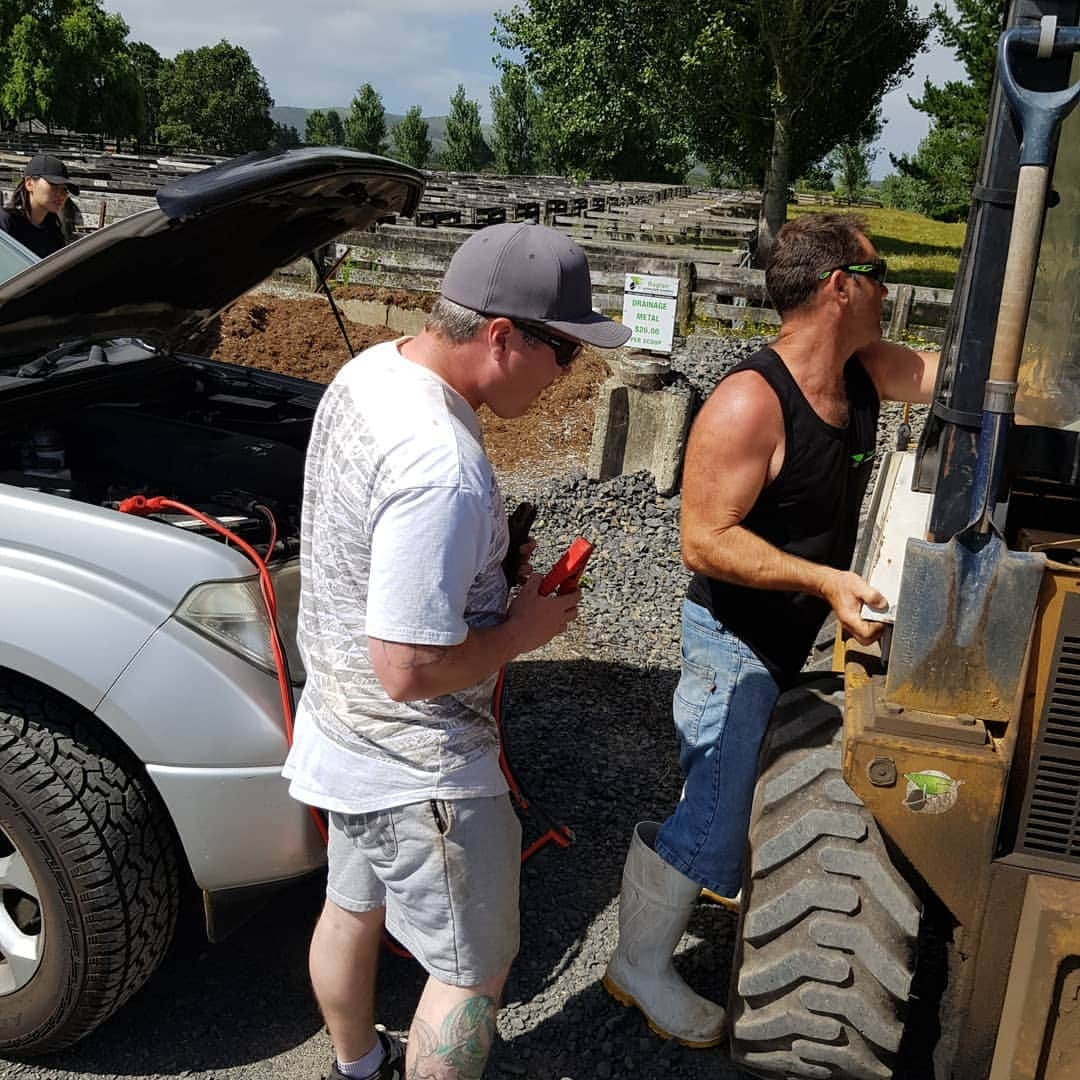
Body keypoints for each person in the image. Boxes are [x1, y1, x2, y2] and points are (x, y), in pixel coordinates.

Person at [283, 221, 632, 1080]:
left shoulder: (370, 373)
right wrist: (522, 629)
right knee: (469, 974)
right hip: (421, 767)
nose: (570, 376)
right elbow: (408, 669)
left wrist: (484, 572)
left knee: (349, 910)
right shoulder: (442, 464)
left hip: (338, 728)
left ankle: (357, 1068)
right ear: (503, 337)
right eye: (567, 352)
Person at [603, 213, 939, 1047]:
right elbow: (702, 539)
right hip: (733, 642)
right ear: (840, 287)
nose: (890, 290)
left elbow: (951, 378)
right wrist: (825, 580)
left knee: (741, 791)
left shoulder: (863, 374)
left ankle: (676, 913)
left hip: (790, 636)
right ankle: (635, 965)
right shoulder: (751, 401)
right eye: (880, 271)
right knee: (716, 816)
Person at [0, 154, 78, 258]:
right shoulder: (6, 222)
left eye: (65, 189)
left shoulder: (53, 233)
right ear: (29, 183)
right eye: (54, 185)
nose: (61, 195)